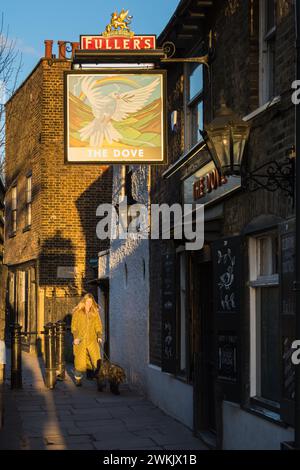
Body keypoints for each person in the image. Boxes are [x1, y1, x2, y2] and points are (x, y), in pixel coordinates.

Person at [71, 293, 103, 388]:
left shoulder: (95, 313)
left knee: (96, 359)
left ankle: (99, 381)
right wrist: (76, 337)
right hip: (80, 340)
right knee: (79, 361)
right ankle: (78, 379)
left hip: (92, 339)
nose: (89, 303)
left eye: (90, 301)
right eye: (87, 301)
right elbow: (74, 327)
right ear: (84, 302)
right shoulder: (78, 312)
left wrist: (99, 335)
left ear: (92, 302)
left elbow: (98, 325)